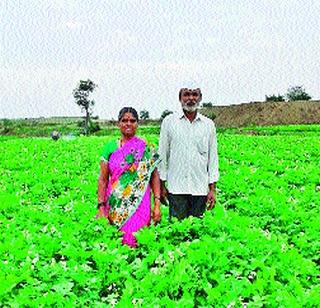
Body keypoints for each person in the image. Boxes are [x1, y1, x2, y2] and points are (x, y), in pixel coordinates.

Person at [97, 107, 161, 247]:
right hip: (116, 203)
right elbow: (102, 179)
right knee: (117, 241)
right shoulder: (109, 147)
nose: (128, 124)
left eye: (132, 120)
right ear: (118, 123)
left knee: (139, 239)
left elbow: (154, 177)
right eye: (124, 120)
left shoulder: (146, 147)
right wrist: (101, 206)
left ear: (137, 123)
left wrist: (157, 204)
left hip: (140, 202)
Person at [158, 87, 219, 220]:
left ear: (200, 98)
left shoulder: (208, 125)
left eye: (194, 95)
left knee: (196, 232)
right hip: (176, 189)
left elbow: (212, 159)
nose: (191, 98)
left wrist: (212, 189)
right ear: (180, 98)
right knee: (178, 232)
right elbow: (162, 156)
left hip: (200, 188)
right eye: (186, 95)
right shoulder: (169, 122)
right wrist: (161, 187)